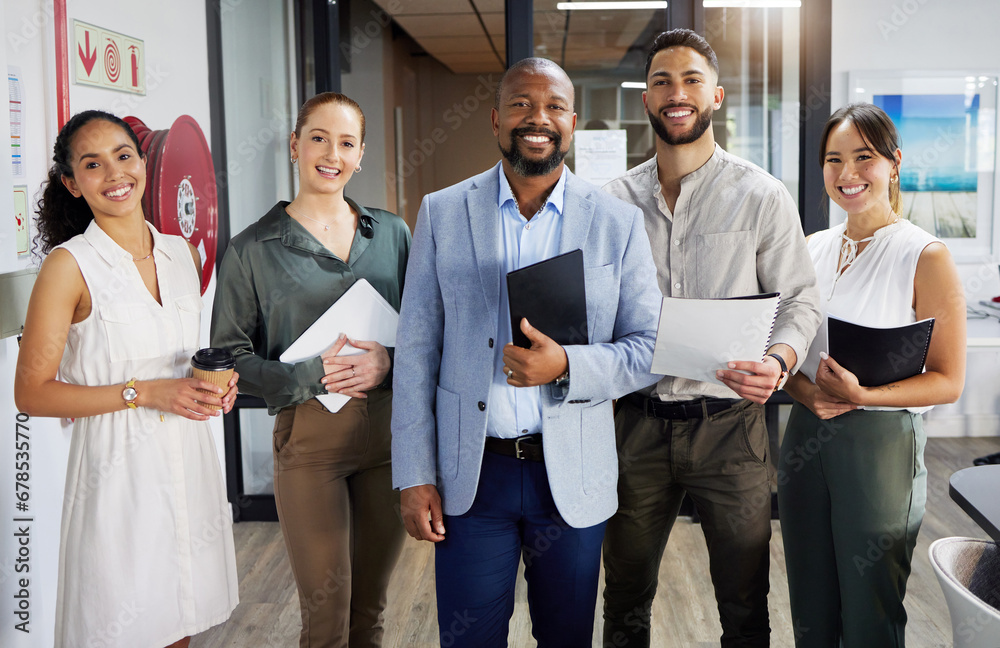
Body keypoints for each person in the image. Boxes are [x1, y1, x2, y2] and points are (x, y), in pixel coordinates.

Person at [391, 57, 662, 647]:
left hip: (570, 473)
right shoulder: (443, 212)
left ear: (571, 123)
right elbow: (415, 351)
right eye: (521, 104)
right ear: (494, 120)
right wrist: (414, 474)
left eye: (554, 107)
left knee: (566, 638)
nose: (537, 118)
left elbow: (648, 350)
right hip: (472, 476)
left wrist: (567, 364)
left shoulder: (616, 223)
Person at [601, 29, 823, 647]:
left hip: (730, 429)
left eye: (691, 80)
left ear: (716, 96)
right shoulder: (610, 203)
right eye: (663, 81)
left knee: (745, 603)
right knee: (623, 597)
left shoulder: (761, 195)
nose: (677, 93)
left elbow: (800, 298)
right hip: (634, 426)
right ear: (645, 99)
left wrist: (779, 360)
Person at [13, 110, 239, 648]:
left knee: (179, 623)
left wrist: (219, 384)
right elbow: (32, 392)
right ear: (72, 183)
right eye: (92, 164)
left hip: (189, 465)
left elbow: (185, 358)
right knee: (123, 627)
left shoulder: (180, 253)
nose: (114, 174)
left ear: (143, 162)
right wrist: (143, 392)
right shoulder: (69, 267)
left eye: (123, 156)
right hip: (116, 482)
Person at [210, 92, 410, 648]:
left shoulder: (392, 234)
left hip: (391, 442)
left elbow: (426, 334)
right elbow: (229, 360)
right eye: (318, 138)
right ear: (296, 145)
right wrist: (308, 375)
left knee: (369, 612)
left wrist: (388, 361)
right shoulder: (251, 250)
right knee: (326, 618)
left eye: (346, 142)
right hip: (309, 447)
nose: (331, 153)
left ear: (361, 154)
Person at [778, 102, 966, 646]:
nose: (848, 173)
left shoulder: (923, 254)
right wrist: (804, 390)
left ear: (894, 163)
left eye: (864, 157)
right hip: (805, 437)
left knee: (869, 614)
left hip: (881, 446)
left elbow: (948, 380)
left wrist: (865, 394)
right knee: (810, 605)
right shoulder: (810, 249)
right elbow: (786, 351)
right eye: (833, 160)